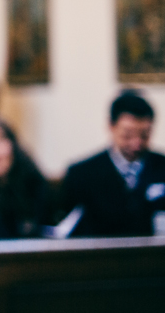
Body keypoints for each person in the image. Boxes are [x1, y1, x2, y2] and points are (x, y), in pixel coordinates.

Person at [60, 91, 165, 237]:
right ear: (111, 126)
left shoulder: (162, 167)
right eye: (127, 135)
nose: (136, 143)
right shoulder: (82, 174)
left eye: (144, 135)